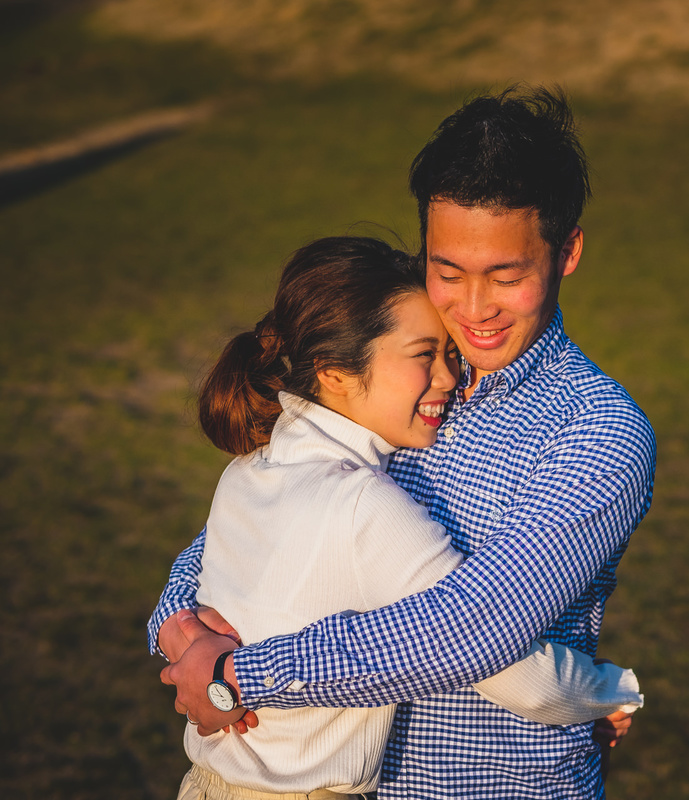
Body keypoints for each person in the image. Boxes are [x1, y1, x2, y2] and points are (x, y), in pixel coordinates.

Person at [153, 85, 657, 799]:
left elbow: (468, 631)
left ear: (566, 250)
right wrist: (177, 629)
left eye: (506, 277)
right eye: (447, 272)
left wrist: (236, 676)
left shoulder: (596, 433)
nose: (474, 310)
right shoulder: (391, 381)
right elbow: (242, 535)